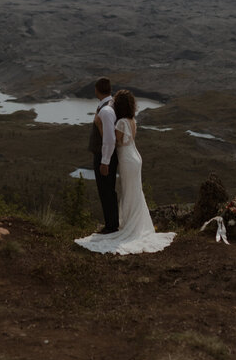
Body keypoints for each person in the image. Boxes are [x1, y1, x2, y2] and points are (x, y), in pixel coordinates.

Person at [75, 89, 176, 254]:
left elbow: (113, 142)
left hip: (128, 160)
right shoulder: (132, 120)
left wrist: (100, 125)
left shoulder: (121, 122)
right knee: (135, 191)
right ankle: (132, 223)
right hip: (135, 158)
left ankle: (130, 226)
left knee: (129, 192)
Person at [89, 76, 118, 234]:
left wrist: (105, 162)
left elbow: (109, 138)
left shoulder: (106, 110)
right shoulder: (108, 105)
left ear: (96, 90)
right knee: (107, 190)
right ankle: (111, 223)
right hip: (105, 155)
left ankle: (111, 226)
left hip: (104, 156)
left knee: (106, 190)